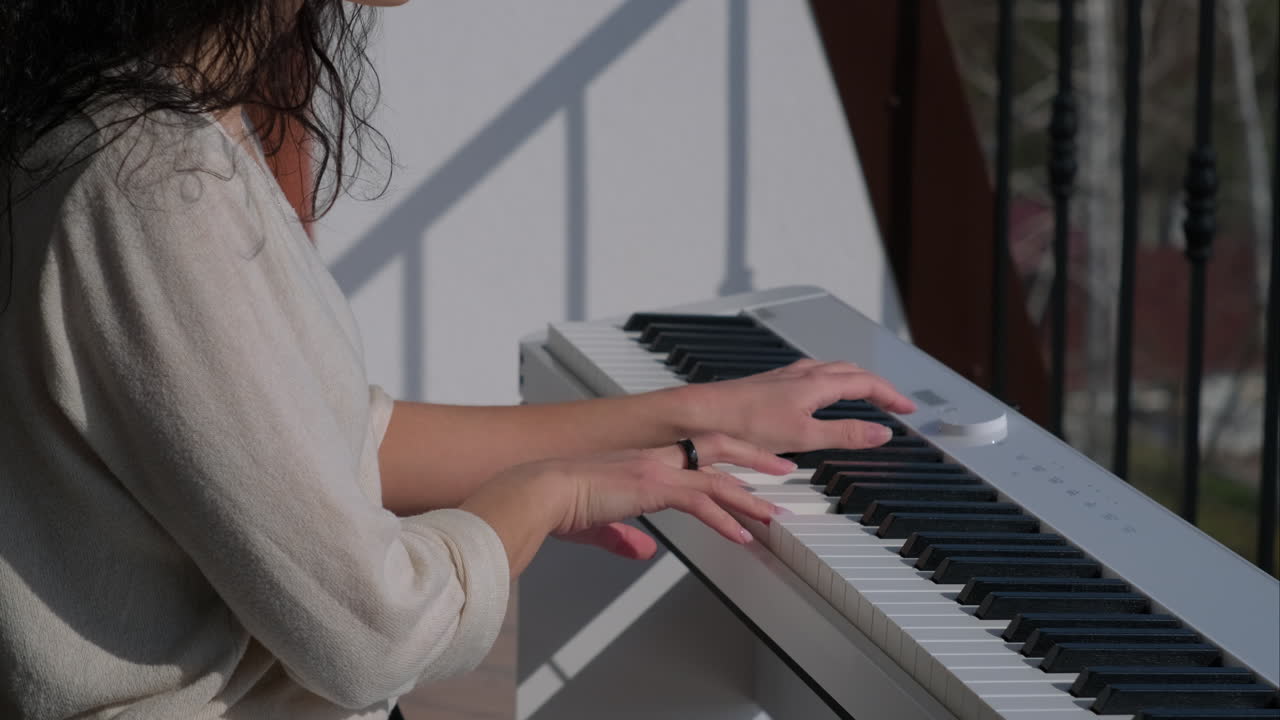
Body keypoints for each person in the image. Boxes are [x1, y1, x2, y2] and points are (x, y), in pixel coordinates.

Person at [0, 1, 917, 717]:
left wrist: (695, 415)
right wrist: (545, 498)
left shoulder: (160, 121)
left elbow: (345, 439)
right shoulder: (149, 180)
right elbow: (375, 633)